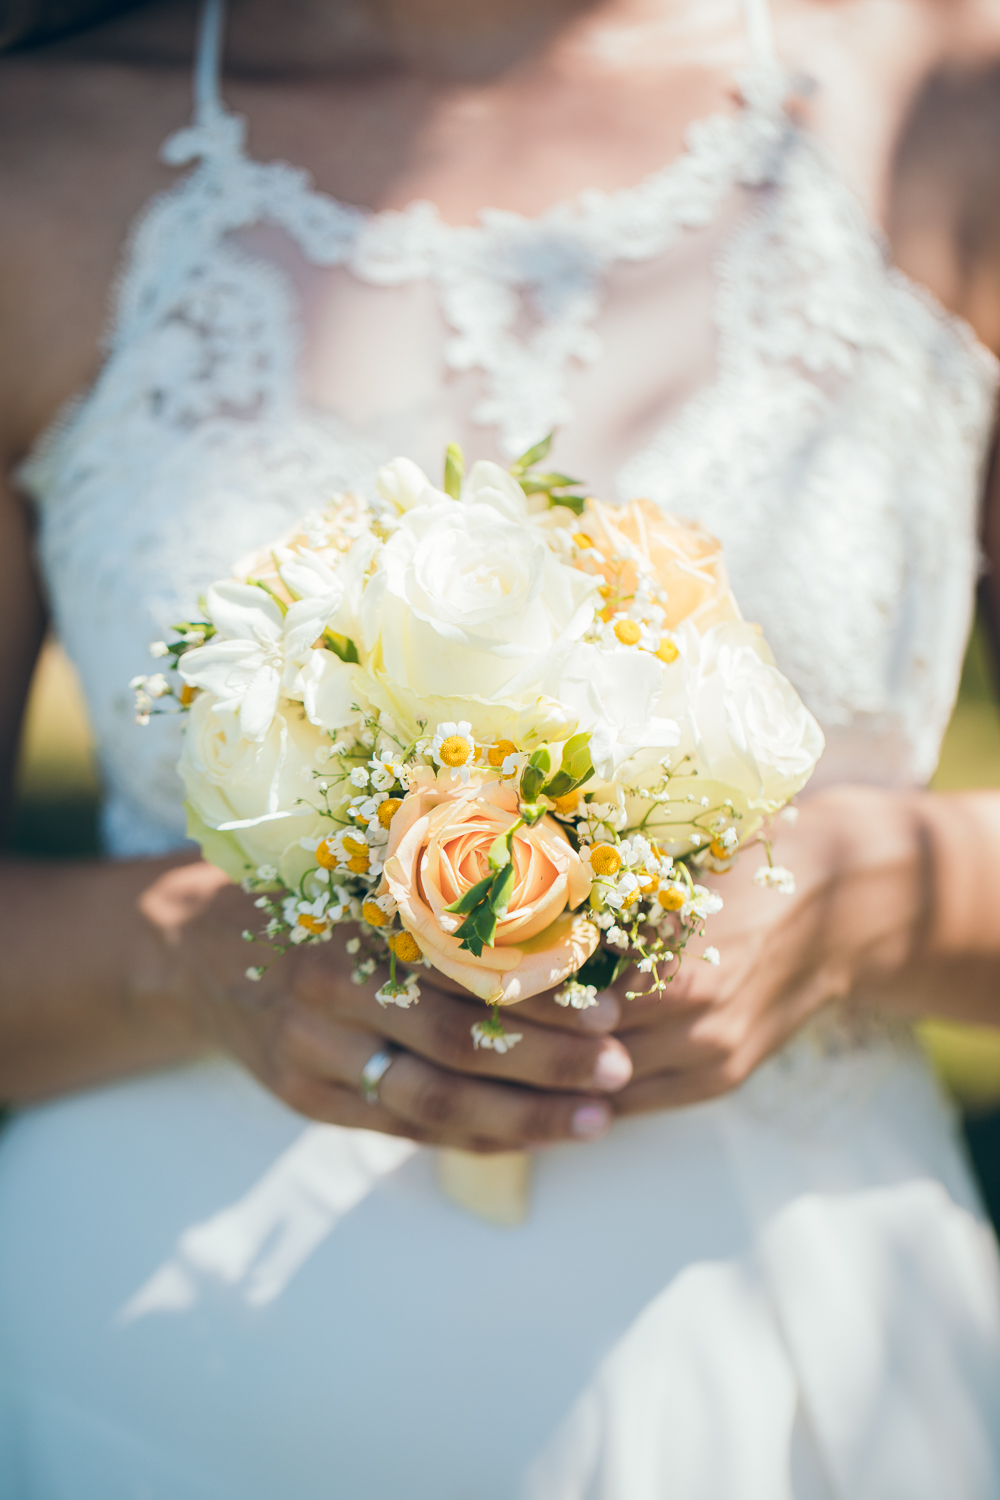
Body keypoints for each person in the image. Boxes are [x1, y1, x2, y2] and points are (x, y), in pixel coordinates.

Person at [3, 0, 1000, 1491]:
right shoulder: (43, 164)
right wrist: (189, 958)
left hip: (794, 1375)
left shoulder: (947, 102)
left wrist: (867, 897)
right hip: (164, 1380)